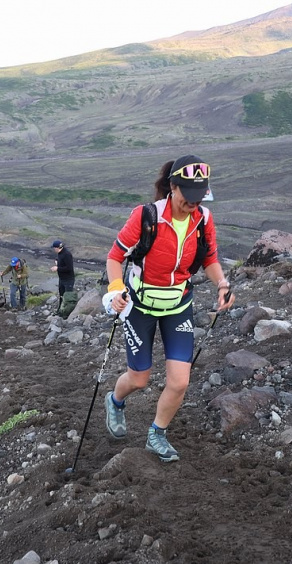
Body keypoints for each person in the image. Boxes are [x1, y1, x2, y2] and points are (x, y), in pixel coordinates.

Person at [103, 154, 234, 463]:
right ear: (172, 188)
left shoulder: (203, 220)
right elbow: (114, 257)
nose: (193, 204)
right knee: (139, 378)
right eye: (188, 197)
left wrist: (222, 285)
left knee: (180, 381)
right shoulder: (145, 216)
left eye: (199, 197)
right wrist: (116, 289)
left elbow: (210, 259)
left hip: (178, 305)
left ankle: (157, 434)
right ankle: (115, 400)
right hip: (140, 306)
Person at [50, 239, 75, 311]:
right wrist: (57, 261)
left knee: (68, 297)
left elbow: (69, 268)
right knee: (61, 295)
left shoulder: (67, 254)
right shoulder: (60, 253)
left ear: (57, 248)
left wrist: (57, 268)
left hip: (68, 280)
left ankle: (67, 312)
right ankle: (60, 310)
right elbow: (60, 259)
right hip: (62, 279)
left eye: (54, 248)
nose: (54, 249)